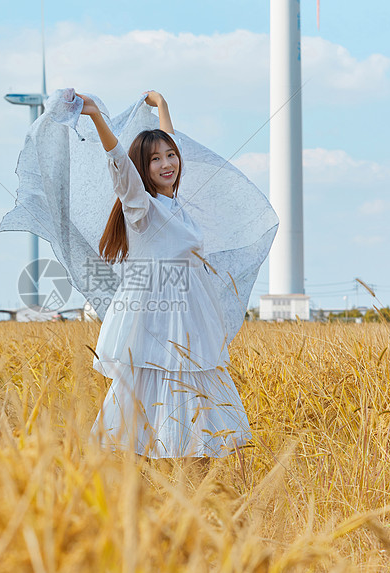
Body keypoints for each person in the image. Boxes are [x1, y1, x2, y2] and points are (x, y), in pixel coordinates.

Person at [79, 91, 255, 459]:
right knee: (150, 388)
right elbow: (119, 166)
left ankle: (186, 469)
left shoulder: (175, 204)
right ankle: (153, 469)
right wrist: (96, 116)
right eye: (155, 160)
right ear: (143, 169)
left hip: (189, 315)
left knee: (191, 388)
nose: (166, 164)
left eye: (170, 155)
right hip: (158, 315)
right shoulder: (141, 206)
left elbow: (169, 152)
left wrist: (163, 109)